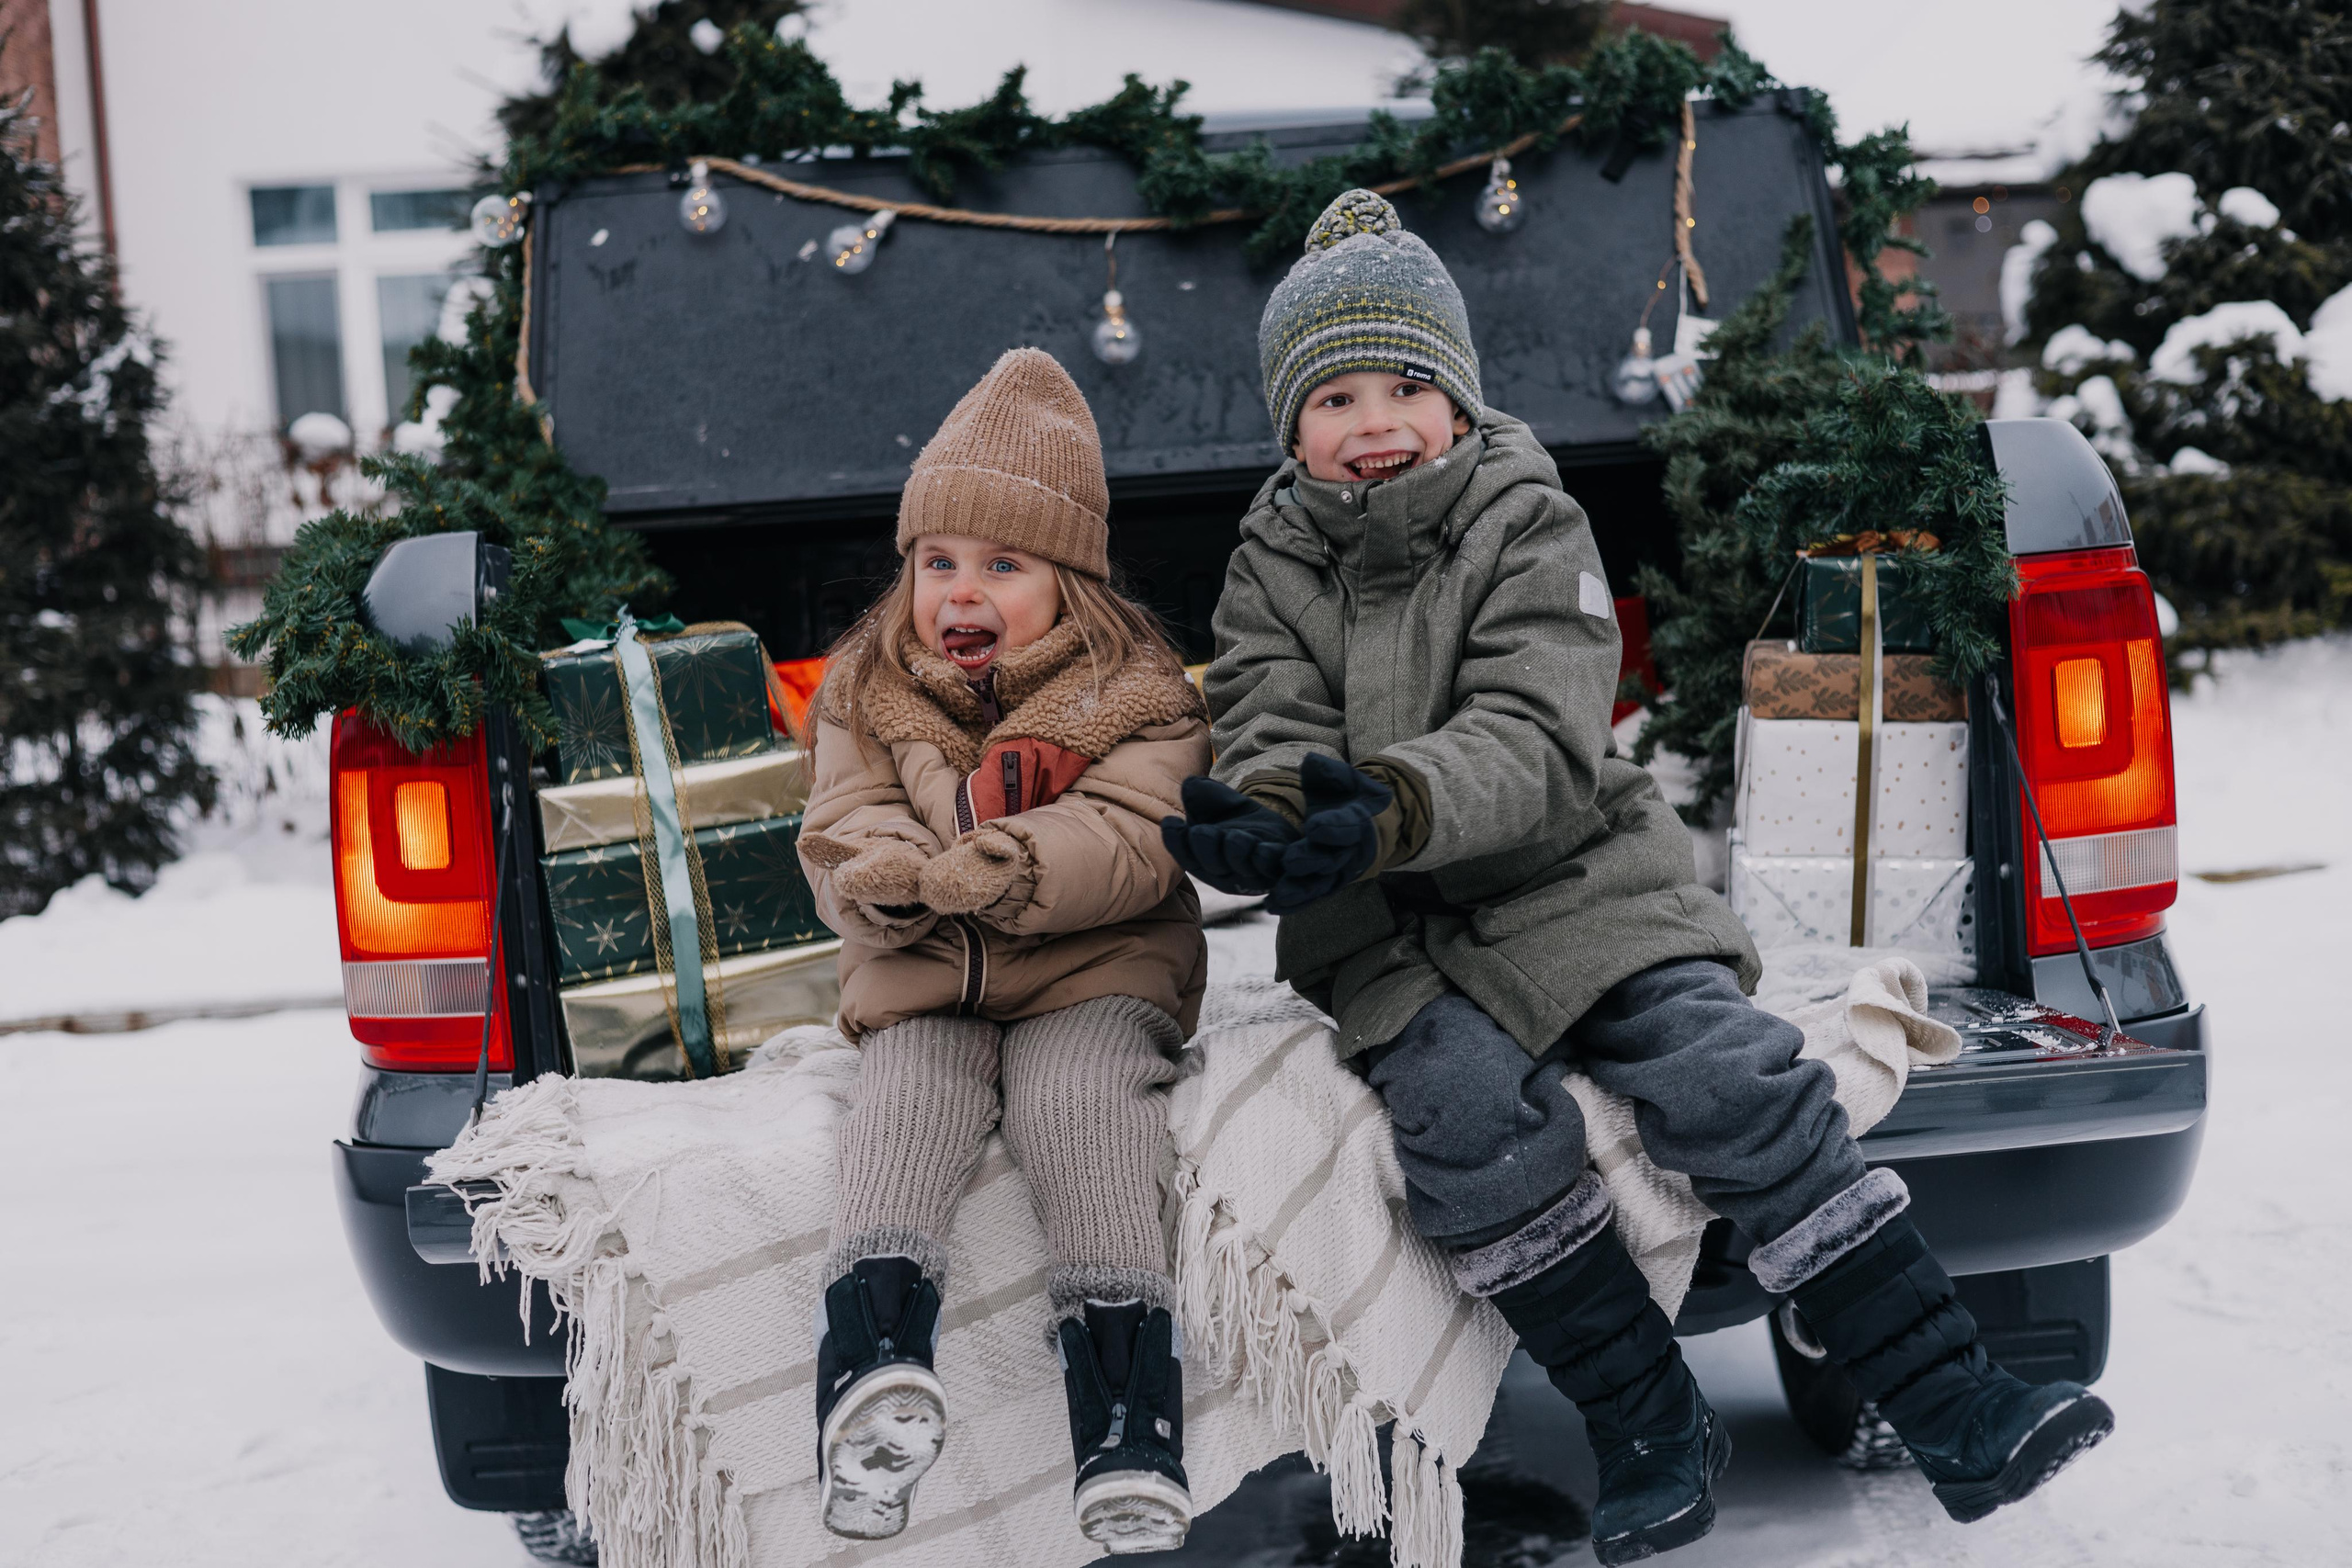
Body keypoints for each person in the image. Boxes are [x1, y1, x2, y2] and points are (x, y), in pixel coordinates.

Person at [1162, 190, 2112, 1565]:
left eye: (1408, 384)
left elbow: (1534, 729)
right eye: (1336, 396)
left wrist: (1392, 803)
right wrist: (1264, 823)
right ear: (1288, 424)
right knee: (1461, 1124)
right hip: (1386, 930)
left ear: (1461, 397)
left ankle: (1948, 1391)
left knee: (1725, 1070)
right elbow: (1267, 723)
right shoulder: (1269, 561)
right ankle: (1650, 1421)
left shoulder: (1523, 516)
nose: (1375, 420)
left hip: (1571, 877)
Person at [797, 347, 1208, 1554]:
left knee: (1081, 1110)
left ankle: (1128, 1414)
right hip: (926, 975)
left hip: (1094, 970)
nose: (960, 591)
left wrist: (1017, 865)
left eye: (1002, 564)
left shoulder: (1141, 692)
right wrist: (879, 879)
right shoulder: (867, 684)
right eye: (939, 562)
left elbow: (1139, 836)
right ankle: (870, 1376)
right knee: (902, 1101)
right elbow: (843, 818)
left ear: (1070, 583)